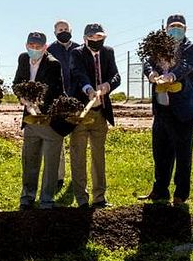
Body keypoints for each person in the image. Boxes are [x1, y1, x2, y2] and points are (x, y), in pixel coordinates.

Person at [140, 14, 193, 205]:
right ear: (166, 28)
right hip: (161, 109)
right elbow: (147, 61)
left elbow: (187, 66)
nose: (176, 30)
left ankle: (181, 194)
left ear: (185, 29)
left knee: (183, 154)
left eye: (179, 27)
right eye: (172, 27)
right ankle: (160, 190)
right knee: (160, 152)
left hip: (183, 110)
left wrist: (172, 76)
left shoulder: (191, 48)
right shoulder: (158, 47)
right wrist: (150, 72)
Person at [70, 23, 121, 208]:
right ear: (85, 38)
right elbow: (78, 73)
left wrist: (108, 85)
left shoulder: (108, 52)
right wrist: (89, 89)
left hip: (101, 113)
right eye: (93, 37)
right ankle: (81, 199)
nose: (97, 40)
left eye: (100, 37)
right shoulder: (77, 53)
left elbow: (116, 76)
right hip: (81, 113)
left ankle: (99, 198)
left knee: (98, 156)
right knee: (78, 156)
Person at [14, 32, 65, 209]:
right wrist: (22, 98)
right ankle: (27, 197)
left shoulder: (53, 64)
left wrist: (36, 105)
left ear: (45, 48)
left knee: (51, 163)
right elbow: (17, 83)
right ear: (26, 45)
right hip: (30, 120)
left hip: (49, 120)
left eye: (38, 47)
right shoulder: (23, 59)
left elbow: (53, 92)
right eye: (31, 46)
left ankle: (46, 199)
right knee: (30, 159)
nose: (34, 50)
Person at [47, 19, 80, 189]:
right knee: (58, 139)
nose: (63, 31)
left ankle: (77, 178)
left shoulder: (79, 49)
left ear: (71, 30)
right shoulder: (50, 50)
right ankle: (58, 178)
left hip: (77, 100)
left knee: (76, 141)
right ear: (55, 33)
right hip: (58, 102)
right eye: (60, 29)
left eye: (66, 29)